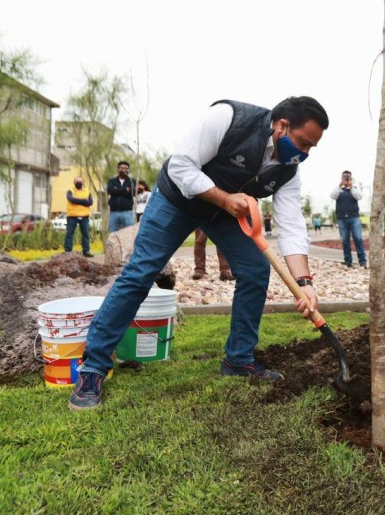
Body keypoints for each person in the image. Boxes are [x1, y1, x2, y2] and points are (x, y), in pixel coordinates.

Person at [69, 96, 328, 410]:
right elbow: (180, 166)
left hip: (222, 213)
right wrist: (222, 198)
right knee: (141, 273)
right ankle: (94, 366)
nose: (304, 153)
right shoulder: (229, 118)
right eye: (303, 143)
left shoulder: (290, 170)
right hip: (176, 199)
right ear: (283, 125)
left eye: (311, 148)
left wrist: (304, 283)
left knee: (256, 271)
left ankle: (239, 359)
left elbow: (290, 224)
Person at [330, 170, 366, 268]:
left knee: (358, 239)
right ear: (341, 178)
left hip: (354, 218)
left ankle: (362, 261)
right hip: (341, 219)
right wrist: (339, 186)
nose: (346, 179)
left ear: (351, 178)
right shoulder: (338, 189)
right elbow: (332, 196)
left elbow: (359, 197)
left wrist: (351, 187)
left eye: (348, 177)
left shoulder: (355, 188)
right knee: (345, 241)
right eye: (344, 177)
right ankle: (348, 262)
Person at [64, 176, 94, 258]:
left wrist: (77, 201)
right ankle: (68, 251)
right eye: (77, 181)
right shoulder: (70, 191)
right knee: (69, 233)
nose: (78, 182)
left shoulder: (87, 192)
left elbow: (90, 202)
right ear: (74, 182)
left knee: (85, 234)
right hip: (72, 216)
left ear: (83, 182)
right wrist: (84, 201)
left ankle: (86, 251)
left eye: (80, 181)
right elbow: (71, 199)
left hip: (84, 216)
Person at [107, 161, 135, 232]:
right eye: (122, 168)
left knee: (129, 233)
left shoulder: (132, 181)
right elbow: (110, 191)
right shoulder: (112, 181)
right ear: (118, 169)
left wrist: (117, 190)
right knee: (113, 235)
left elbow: (131, 194)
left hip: (127, 212)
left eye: (126, 168)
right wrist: (125, 189)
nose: (124, 170)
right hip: (114, 212)